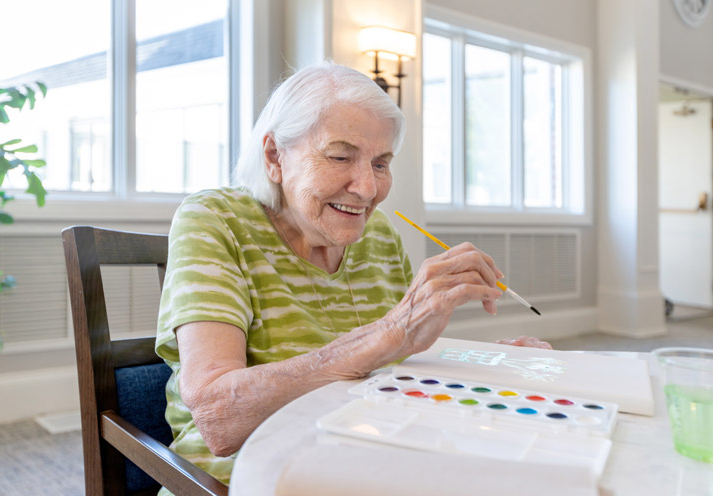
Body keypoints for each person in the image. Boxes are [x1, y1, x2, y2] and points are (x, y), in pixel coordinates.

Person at [155, 62, 551, 489]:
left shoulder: (378, 235)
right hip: (251, 475)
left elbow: (393, 364)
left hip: (367, 453)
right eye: (340, 156)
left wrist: (488, 366)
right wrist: (391, 332)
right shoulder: (215, 220)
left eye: (380, 164)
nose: (366, 188)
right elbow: (219, 420)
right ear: (274, 156)